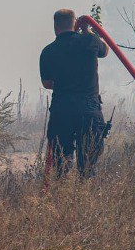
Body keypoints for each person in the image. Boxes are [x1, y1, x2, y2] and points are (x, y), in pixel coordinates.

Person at [39, 9, 109, 179]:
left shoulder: (48, 51)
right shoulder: (89, 41)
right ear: (74, 23)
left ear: (56, 26)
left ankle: (61, 196)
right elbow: (106, 50)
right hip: (89, 109)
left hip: (62, 110)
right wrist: (87, 31)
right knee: (88, 163)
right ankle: (83, 196)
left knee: (61, 162)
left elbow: (47, 83)